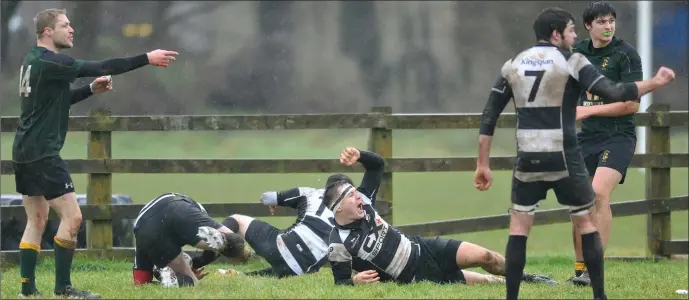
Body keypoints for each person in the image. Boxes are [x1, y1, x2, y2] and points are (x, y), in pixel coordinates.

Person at [473, 7, 675, 300]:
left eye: (611, 21)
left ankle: (519, 294)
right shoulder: (572, 59)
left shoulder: (514, 63)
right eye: (571, 30)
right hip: (567, 151)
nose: (574, 35)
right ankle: (596, 290)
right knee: (583, 214)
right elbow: (615, 90)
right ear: (558, 34)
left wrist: (482, 163)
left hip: (536, 154)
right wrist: (655, 83)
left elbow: (489, 114)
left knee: (521, 226)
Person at [14, 8, 178, 298]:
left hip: (24, 151)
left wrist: (89, 90)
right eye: (65, 25)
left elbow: (57, 101)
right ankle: (63, 288)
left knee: (37, 219)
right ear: (48, 32)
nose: (72, 29)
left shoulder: (32, 60)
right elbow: (104, 64)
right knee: (73, 218)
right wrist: (146, 58)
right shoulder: (53, 61)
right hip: (43, 153)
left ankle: (27, 290)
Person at [325, 149, 557, 287]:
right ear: (337, 208)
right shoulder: (338, 243)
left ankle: (528, 277)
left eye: (356, 191)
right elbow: (340, 283)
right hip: (415, 276)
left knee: (484, 256)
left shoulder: (365, 200)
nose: (358, 197)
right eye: (350, 195)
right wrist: (355, 282)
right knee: (488, 283)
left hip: (424, 248)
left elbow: (377, 166)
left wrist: (359, 155)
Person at [202, 147, 384, 278]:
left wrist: (275, 202)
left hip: (280, 247)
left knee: (237, 220)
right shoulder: (361, 202)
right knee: (290, 267)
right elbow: (377, 166)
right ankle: (241, 275)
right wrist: (360, 155)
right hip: (303, 268)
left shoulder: (312, 193)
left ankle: (222, 252)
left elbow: (267, 197)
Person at [570, 1, 643, 286]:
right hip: (586, 137)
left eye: (611, 20)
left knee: (598, 193)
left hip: (618, 136)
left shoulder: (626, 55)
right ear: (588, 26)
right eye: (601, 21)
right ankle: (580, 272)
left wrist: (589, 110)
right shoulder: (577, 54)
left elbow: (632, 105)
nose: (608, 26)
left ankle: (593, 271)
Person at [132, 193, 246, 287]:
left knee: (190, 282)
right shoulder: (195, 209)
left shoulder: (143, 242)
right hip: (179, 208)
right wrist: (197, 264)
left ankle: (173, 281)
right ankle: (224, 240)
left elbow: (140, 281)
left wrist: (191, 269)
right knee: (236, 243)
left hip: (143, 225)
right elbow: (210, 256)